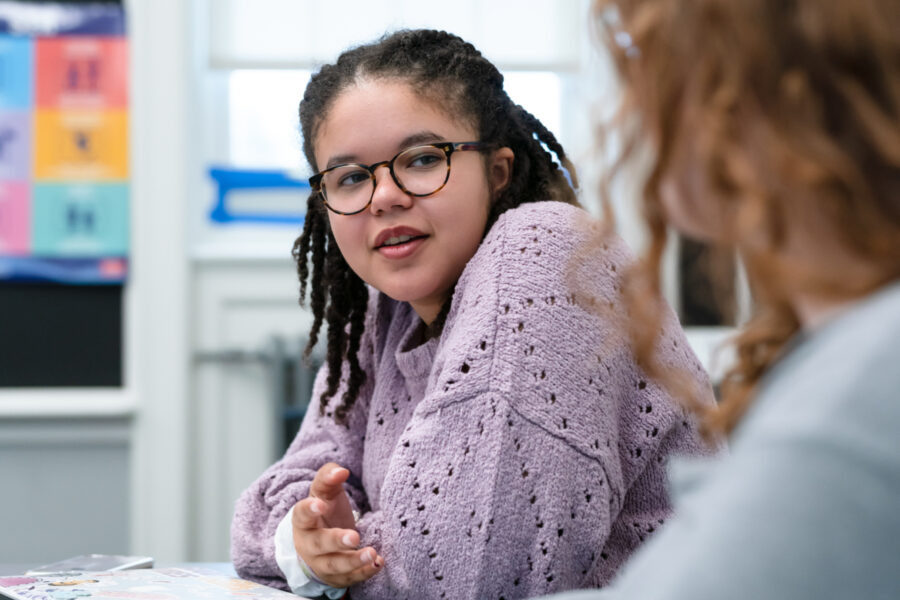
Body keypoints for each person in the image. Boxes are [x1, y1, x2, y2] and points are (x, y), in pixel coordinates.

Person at [230, 29, 714, 600]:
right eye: (352, 177)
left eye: (422, 159)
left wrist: (338, 554)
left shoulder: (542, 250)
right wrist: (306, 541)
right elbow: (272, 507)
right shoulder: (383, 310)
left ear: (499, 171)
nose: (383, 197)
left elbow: (467, 571)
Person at [543, 1, 900, 599]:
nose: (629, 107)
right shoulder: (843, 354)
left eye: (645, 62)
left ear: (743, 93)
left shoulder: (866, 387)